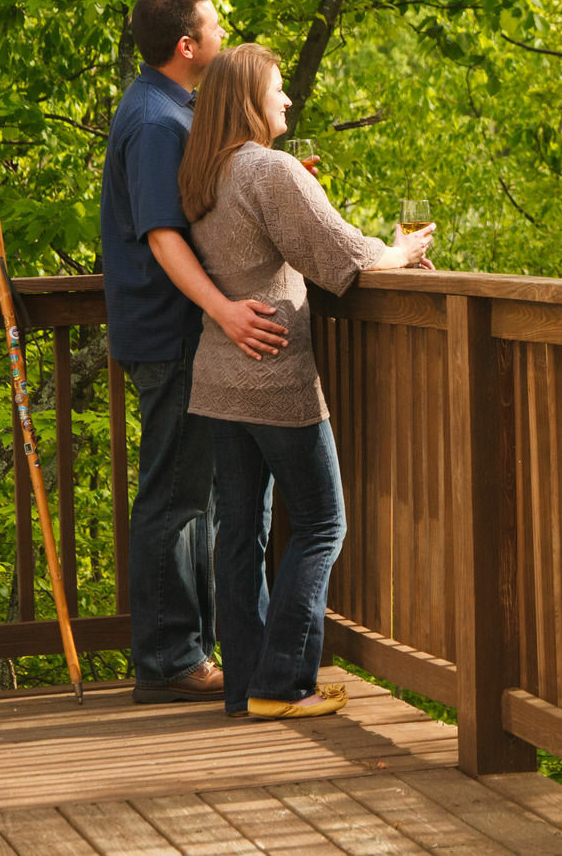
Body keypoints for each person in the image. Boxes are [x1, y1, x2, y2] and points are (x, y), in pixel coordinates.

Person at [176, 43, 434, 719]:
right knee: (323, 522)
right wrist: (400, 252)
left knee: (240, 532)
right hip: (273, 374)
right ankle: (284, 681)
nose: (287, 100)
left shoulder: (206, 173)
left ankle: (247, 686)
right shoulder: (268, 169)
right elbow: (339, 253)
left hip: (219, 377)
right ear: (249, 99)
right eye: (278, 89)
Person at [101, 0, 291, 704]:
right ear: (188, 46)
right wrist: (224, 309)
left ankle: (193, 651)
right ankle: (170, 660)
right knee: (175, 498)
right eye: (216, 24)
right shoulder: (156, 121)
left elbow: (202, 208)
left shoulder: (173, 110)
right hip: (172, 332)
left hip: (181, 330)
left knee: (197, 497)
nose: (224, 32)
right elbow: (161, 234)